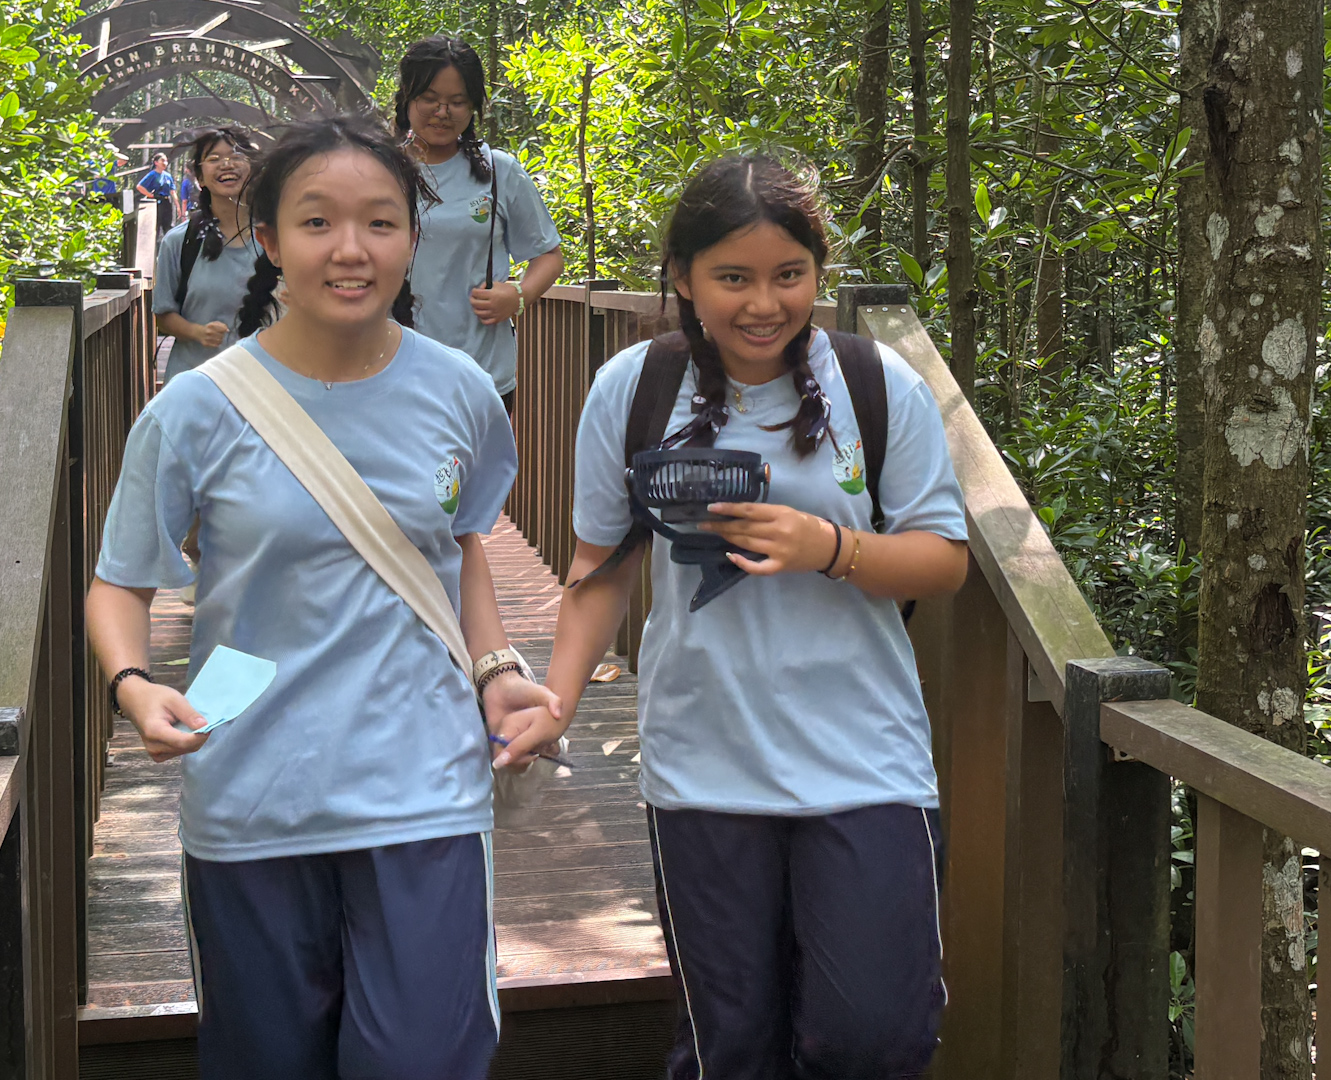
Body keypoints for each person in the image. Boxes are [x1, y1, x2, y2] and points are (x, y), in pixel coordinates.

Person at [84, 114, 560, 1080]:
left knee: (423, 1059)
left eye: (381, 222)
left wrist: (498, 667)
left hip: (423, 787)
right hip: (254, 792)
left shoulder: (461, 390)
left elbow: (461, 546)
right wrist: (134, 684)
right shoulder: (194, 409)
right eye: (317, 223)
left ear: (413, 238)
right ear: (268, 239)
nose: (352, 250)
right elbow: (118, 582)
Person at [540, 154, 968, 1078]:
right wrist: (556, 701)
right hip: (705, 763)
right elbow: (600, 568)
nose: (764, 304)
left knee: (874, 1036)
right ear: (684, 277)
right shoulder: (634, 387)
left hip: (865, 759)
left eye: (789, 275)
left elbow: (943, 558)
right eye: (733, 278)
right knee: (730, 1045)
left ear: (819, 272)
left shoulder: (876, 383)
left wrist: (831, 547)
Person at [395, 35, 564, 414]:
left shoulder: (498, 171)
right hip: (393, 371)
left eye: (457, 102)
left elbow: (549, 255)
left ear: (474, 106)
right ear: (407, 97)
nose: (443, 112)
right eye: (429, 98)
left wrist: (518, 295)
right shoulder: (377, 170)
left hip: (482, 375)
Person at [154, 127, 262, 380]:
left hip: (262, 385)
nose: (227, 164)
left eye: (236, 156)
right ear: (200, 177)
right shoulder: (180, 241)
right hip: (195, 383)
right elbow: (163, 315)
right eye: (214, 159)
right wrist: (198, 332)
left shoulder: (278, 238)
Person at [135, 151, 180, 233]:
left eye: (166, 161)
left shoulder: (168, 176)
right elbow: (139, 186)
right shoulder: (152, 174)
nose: (165, 163)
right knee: (156, 226)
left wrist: (178, 206)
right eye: (162, 160)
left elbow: (173, 191)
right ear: (156, 163)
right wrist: (150, 195)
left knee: (168, 226)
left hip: (166, 202)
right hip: (156, 202)